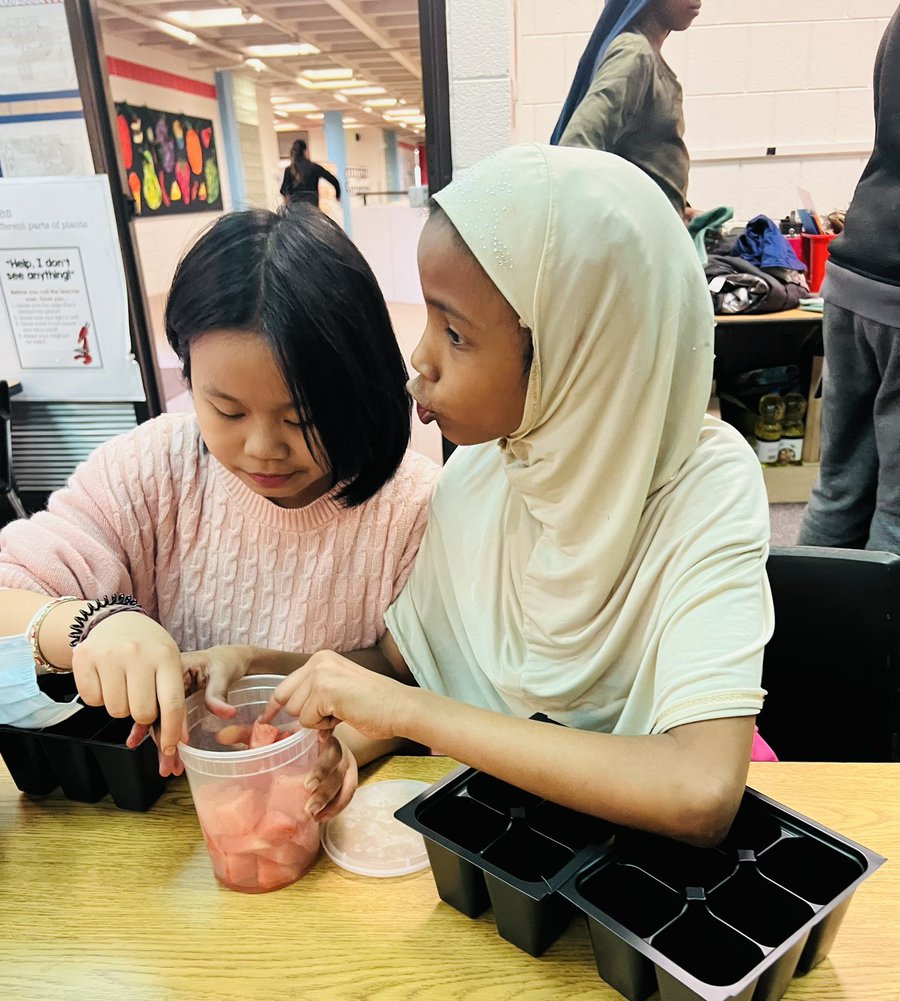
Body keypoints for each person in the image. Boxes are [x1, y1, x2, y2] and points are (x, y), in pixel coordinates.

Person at [253, 144, 774, 847]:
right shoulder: (480, 476)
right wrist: (268, 676)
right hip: (514, 853)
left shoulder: (706, 489)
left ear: (580, 348)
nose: (421, 358)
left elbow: (697, 791)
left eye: (456, 332)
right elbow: (407, 668)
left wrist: (408, 714)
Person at [0, 205, 438, 818]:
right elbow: (9, 592)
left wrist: (339, 744)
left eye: (302, 418)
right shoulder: (154, 468)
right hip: (149, 818)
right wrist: (90, 625)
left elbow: (407, 673)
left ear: (360, 386)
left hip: (308, 816)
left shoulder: (413, 507)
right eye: (227, 411)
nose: (262, 449)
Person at [799, 6, 900, 552]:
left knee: (839, 484)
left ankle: (816, 632)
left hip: (855, 264)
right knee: (897, 506)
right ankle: (881, 638)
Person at [551, 0, 702, 216]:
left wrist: (681, 210)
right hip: (641, 243)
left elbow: (642, 160)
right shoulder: (634, 54)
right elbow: (576, 149)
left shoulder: (645, 54)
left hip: (659, 235)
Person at [279, 139, 342, 208]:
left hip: (295, 207)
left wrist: (287, 201)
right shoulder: (314, 167)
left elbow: (283, 190)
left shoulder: (289, 169)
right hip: (312, 205)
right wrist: (337, 195)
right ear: (305, 152)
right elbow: (333, 180)